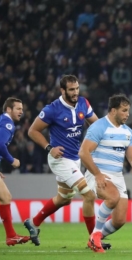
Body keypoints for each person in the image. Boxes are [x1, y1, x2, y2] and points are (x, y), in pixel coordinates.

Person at [24, 75, 103, 247]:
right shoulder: (52, 109)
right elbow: (32, 131)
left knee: (64, 198)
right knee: (88, 195)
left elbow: (96, 125)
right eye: (71, 90)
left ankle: (33, 223)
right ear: (63, 90)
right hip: (60, 159)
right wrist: (49, 148)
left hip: (75, 159)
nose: (75, 93)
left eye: (77, 89)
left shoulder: (84, 103)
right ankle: (93, 239)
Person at [78, 94, 132, 253]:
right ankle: (95, 236)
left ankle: (94, 238)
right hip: (98, 173)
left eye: (128, 110)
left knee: (119, 220)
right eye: (124, 110)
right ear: (113, 110)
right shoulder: (99, 126)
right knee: (113, 197)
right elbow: (83, 152)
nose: (127, 114)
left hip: (117, 176)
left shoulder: (128, 132)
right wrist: (97, 174)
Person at [0, 98, 30, 246]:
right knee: (5, 197)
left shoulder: (0, 120)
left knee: (5, 197)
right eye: (18, 109)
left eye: (22, 109)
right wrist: (11, 160)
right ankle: (11, 236)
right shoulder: (7, 123)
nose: (21, 112)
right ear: (9, 110)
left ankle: (11, 236)